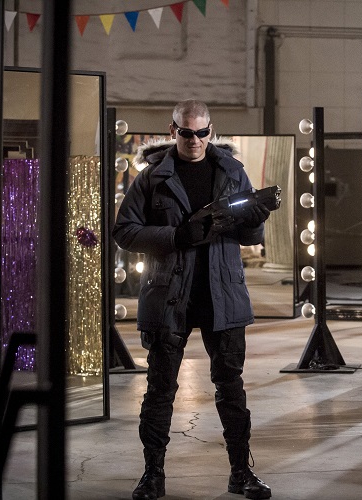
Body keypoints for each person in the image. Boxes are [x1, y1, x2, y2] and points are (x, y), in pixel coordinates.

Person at [113, 99, 272, 500]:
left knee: (231, 389)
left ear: (211, 130)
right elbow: (124, 231)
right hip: (169, 298)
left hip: (223, 296)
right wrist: (175, 236)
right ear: (173, 131)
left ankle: (241, 473)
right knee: (160, 390)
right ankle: (152, 475)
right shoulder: (153, 178)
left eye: (202, 133)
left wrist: (255, 221)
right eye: (187, 133)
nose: (195, 140)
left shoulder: (233, 172)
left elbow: (249, 237)